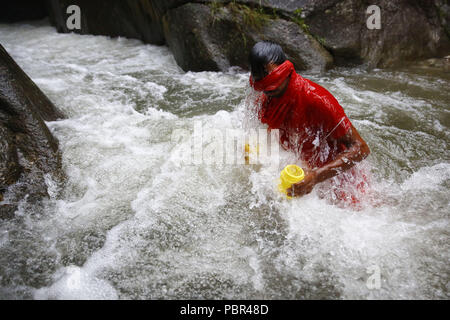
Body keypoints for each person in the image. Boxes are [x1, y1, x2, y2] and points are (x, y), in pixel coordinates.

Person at [248, 41, 370, 204]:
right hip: (304, 172)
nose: (267, 91)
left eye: (272, 84)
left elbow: (361, 148)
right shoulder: (266, 98)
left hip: (342, 184)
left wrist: (315, 177)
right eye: (263, 87)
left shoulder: (317, 100)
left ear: (286, 70)